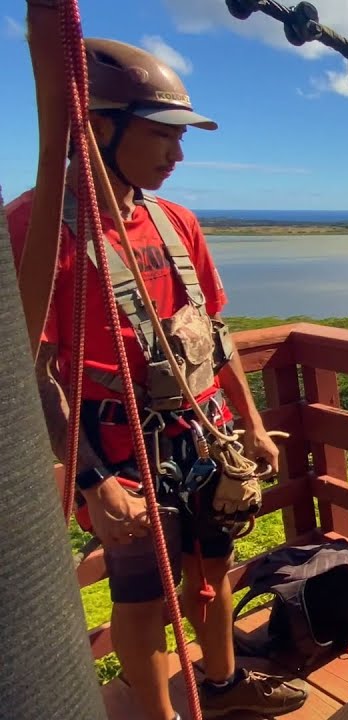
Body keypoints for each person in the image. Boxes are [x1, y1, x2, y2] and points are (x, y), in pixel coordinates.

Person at [5, 38, 307, 720]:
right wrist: (94, 482)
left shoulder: (176, 223)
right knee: (141, 600)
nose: (176, 156)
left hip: (205, 443)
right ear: (100, 128)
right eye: (161, 136)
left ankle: (224, 685)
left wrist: (251, 425)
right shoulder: (35, 229)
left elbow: (215, 335)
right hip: (119, 453)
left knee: (209, 575)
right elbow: (38, 373)